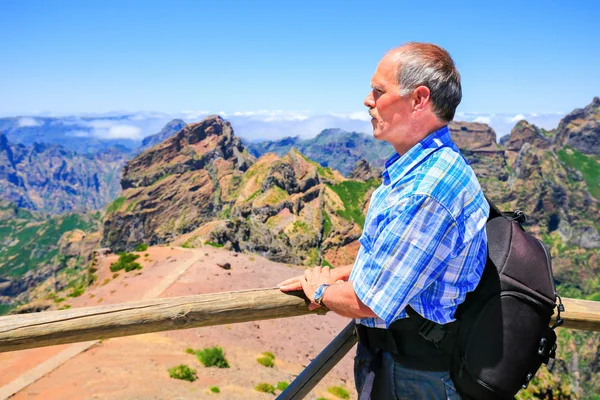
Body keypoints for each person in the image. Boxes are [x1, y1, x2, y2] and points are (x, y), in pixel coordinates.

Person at [278, 42, 489, 399]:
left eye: (379, 91)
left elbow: (371, 302)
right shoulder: (433, 169)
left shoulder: (427, 190)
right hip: (410, 364)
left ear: (419, 99)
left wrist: (319, 289)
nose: (367, 100)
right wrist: (344, 273)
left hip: (413, 375)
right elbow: (404, 263)